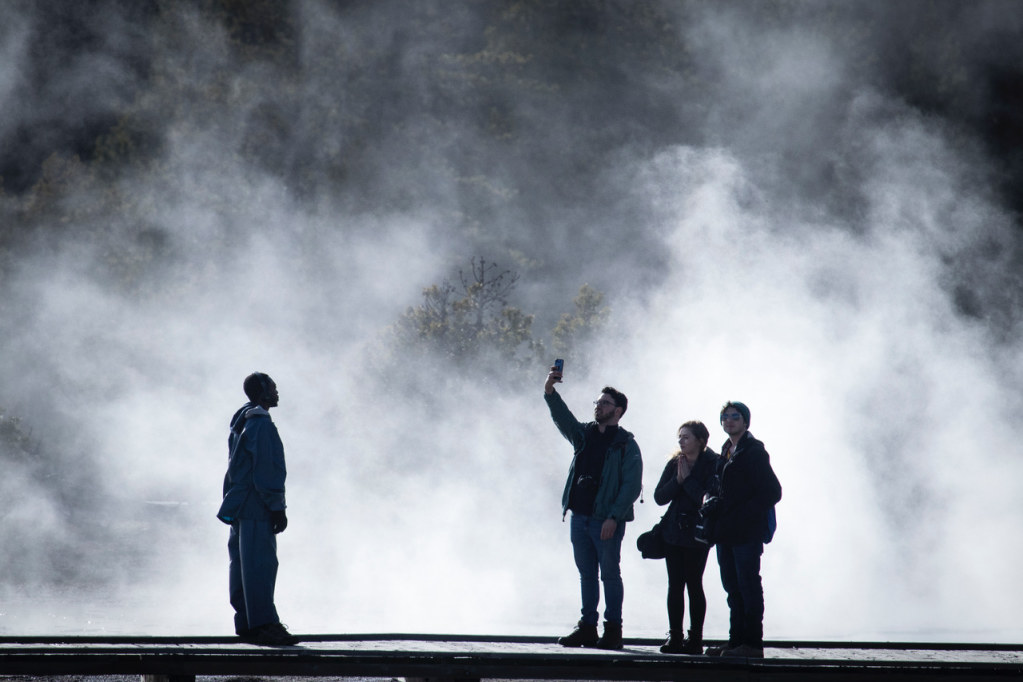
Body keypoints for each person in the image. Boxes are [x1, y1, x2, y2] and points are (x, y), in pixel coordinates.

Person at [544, 365, 643, 650]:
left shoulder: (626, 443)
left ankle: (612, 631)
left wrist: (614, 517)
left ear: (619, 410)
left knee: (609, 575)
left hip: (605, 520)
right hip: (580, 516)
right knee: (586, 574)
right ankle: (588, 627)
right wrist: (550, 392)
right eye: (597, 402)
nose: (598, 406)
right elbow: (563, 419)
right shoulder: (584, 435)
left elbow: (631, 486)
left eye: (605, 403)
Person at [217, 372, 299, 647]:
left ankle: (247, 623)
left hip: (240, 504)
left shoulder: (241, 420)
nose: (277, 392)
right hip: (256, 506)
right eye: (273, 387)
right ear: (262, 390)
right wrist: (277, 507)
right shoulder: (260, 423)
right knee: (261, 565)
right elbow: (266, 469)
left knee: (241, 565)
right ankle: (265, 624)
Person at [705, 401, 781, 659]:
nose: (729, 421)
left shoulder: (754, 451)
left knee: (748, 586)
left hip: (746, 533)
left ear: (746, 421)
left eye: (735, 417)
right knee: (732, 588)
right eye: (725, 417)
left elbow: (773, 491)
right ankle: (735, 641)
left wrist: (742, 512)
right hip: (725, 532)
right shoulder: (726, 451)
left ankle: (752, 644)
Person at [652, 421, 717, 655]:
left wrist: (688, 480)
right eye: (679, 437)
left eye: (686, 437)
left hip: (698, 534)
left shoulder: (714, 463)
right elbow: (659, 497)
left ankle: (695, 638)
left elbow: (708, 499)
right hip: (673, 532)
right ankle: (675, 636)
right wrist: (677, 480)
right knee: (675, 584)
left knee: (694, 583)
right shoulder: (675, 462)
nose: (681, 441)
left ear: (700, 440)